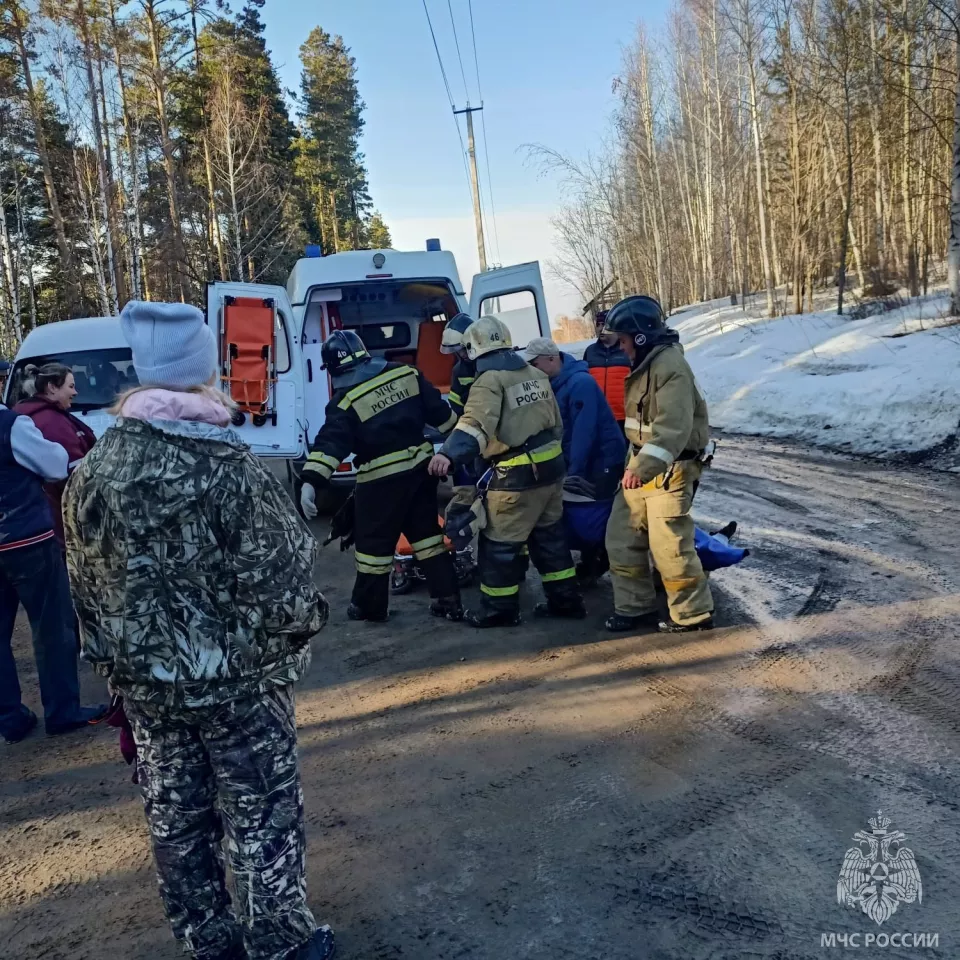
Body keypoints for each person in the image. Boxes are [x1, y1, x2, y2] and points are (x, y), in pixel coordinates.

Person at [64, 300, 335, 960]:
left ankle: (207, 941)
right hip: (239, 687)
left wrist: (121, 661)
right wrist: (291, 636)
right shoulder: (228, 469)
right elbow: (285, 591)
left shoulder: (94, 470)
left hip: (147, 689)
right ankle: (281, 942)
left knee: (177, 816)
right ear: (203, 373)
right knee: (261, 814)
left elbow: (84, 583)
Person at [428, 316, 584, 627]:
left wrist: (447, 455)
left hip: (515, 479)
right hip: (552, 472)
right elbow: (557, 424)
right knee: (550, 540)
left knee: (499, 545)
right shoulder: (535, 373)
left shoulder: (490, 380)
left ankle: (499, 611)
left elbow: (474, 426)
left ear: (473, 348)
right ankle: (565, 601)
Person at [299, 329, 463, 623]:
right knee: (427, 537)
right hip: (421, 473)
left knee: (373, 548)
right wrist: (458, 449)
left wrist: (310, 481)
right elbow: (444, 416)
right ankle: (447, 599)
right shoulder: (407, 374)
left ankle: (370, 608)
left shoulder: (345, 400)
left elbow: (330, 445)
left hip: (380, 482)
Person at [602, 295, 714, 634]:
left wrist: (641, 468)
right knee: (622, 540)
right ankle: (635, 608)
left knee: (670, 548)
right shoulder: (648, 363)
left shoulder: (669, 367)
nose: (620, 347)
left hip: (670, 471)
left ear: (639, 336)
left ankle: (693, 615)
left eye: (622, 339)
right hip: (641, 467)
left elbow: (672, 430)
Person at [0, 397, 106, 743]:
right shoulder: (11, 425)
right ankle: (62, 710)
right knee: (51, 626)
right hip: (25, 539)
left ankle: (10, 717)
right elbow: (55, 465)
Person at [523, 337, 627, 584]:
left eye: (534, 364)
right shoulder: (557, 383)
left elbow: (584, 431)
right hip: (587, 459)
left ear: (551, 359)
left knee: (596, 513)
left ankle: (606, 561)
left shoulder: (580, 383)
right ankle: (593, 563)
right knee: (585, 512)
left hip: (601, 460)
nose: (532, 370)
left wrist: (575, 472)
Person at [15, 363, 96, 547]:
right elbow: (77, 480)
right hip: (63, 524)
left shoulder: (33, 415)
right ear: (51, 388)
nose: (75, 392)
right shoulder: (52, 423)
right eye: (70, 386)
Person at [583, 310, 632, 429]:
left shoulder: (627, 349)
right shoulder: (590, 352)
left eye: (604, 324)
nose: (600, 328)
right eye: (598, 325)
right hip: (597, 416)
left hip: (623, 417)